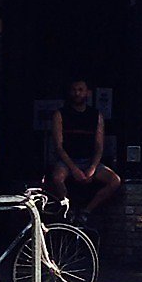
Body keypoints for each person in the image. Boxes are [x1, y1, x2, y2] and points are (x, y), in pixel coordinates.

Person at [48, 77, 121, 219]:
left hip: (89, 160)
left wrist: (92, 167)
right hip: (67, 161)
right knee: (57, 178)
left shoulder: (96, 115)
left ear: (87, 93)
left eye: (81, 90)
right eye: (74, 90)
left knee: (115, 180)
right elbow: (59, 146)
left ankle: (86, 212)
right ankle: (67, 211)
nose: (77, 93)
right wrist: (74, 169)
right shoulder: (60, 114)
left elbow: (99, 145)